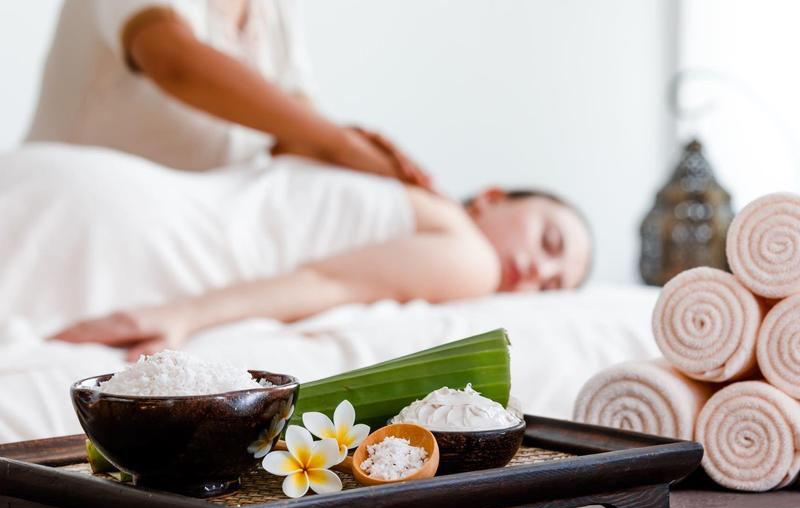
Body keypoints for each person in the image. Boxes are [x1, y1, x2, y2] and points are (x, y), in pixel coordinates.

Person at [47, 160, 592, 359]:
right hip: (141, 237)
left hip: (103, 189)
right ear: (493, 196)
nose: (540, 273)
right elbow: (324, 282)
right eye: (550, 242)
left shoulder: (393, 184)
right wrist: (183, 315)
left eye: (552, 288)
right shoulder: (472, 260)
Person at [26, 0, 429, 187]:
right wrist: (340, 143)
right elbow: (174, 62)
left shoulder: (273, 10)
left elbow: (300, 128)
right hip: (69, 211)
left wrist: (381, 164)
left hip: (184, 230)